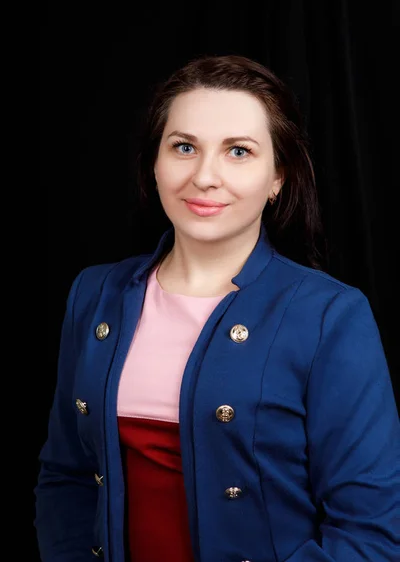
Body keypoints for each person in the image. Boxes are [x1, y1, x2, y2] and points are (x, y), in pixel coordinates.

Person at [35, 54, 399, 562]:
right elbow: (66, 477)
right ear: (154, 163)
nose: (205, 176)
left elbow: (370, 533)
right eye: (184, 147)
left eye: (239, 152)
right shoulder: (95, 294)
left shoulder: (331, 316)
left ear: (278, 177)